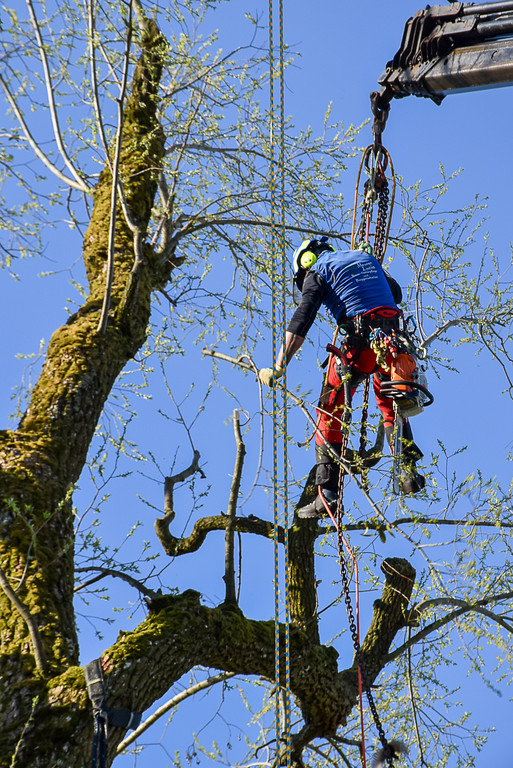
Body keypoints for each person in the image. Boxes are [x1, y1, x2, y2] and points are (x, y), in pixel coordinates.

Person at [259, 236, 425, 518]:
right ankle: (407, 472)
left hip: (361, 344)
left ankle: (329, 496)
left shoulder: (317, 271)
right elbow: (394, 294)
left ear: (306, 261)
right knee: (390, 403)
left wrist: (278, 366)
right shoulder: (366, 259)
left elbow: (303, 316)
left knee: (329, 412)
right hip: (393, 342)